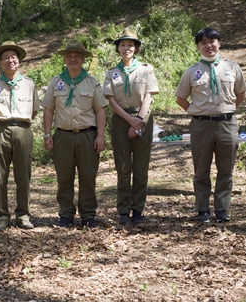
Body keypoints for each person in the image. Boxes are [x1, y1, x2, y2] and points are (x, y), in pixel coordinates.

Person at [175, 27, 246, 223]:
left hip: (227, 125)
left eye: (212, 41)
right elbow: (180, 98)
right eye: (203, 43)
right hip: (201, 126)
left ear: (219, 43)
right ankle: (203, 211)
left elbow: (241, 94)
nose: (209, 46)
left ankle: (222, 210)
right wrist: (196, 111)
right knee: (201, 170)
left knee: (226, 169)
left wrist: (228, 110)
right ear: (198, 47)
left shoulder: (232, 68)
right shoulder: (192, 71)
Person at [42, 39, 108, 229]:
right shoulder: (56, 82)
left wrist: (100, 136)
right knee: (64, 177)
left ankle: (88, 215)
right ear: (64, 59)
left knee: (88, 177)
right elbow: (48, 110)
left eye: (77, 56)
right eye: (69, 56)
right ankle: (66, 214)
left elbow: (100, 110)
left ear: (83, 59)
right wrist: (47, 135)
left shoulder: (92, 82)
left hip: (88, 135)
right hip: (63, 136)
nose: (73, 59)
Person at [103, 29, 159, 225]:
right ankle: (124, 211)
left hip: (142, 116)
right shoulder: (112, 73)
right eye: (123, 44)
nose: (127, 48)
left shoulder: (145, 69)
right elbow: (111, 100)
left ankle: (138, 210)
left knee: (141, 168)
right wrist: (129, 120)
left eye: (130, 45)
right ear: (118, 48)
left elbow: (148, 96)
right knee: (123, 167)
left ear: (136, 48)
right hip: (121, 118)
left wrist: (139, 120)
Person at [0, 41, 40, 231]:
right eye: (6, 58)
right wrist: (3, 123)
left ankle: (23, 215)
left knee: (24, 175)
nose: (10, 61)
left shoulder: (29, 84)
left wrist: (19, 123)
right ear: (0, 62)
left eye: (13, 57)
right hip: (0, 129)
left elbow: (33, 111)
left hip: (23, 130)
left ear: (19, 61)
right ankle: (1, 216)